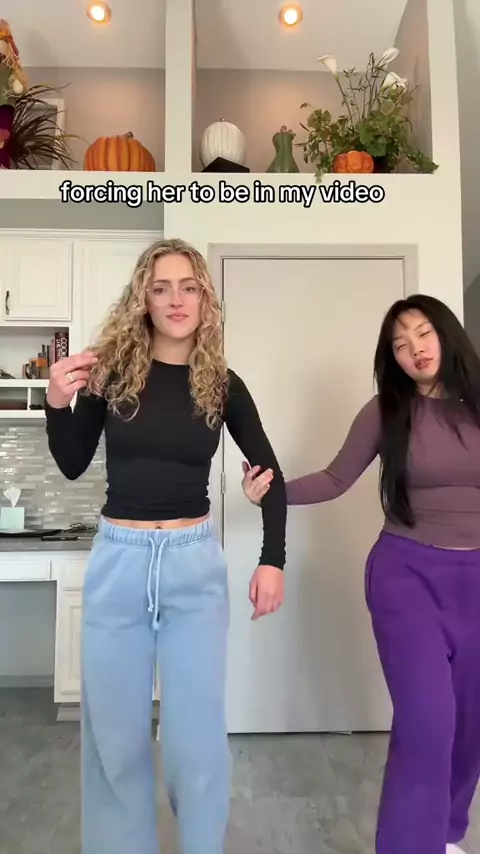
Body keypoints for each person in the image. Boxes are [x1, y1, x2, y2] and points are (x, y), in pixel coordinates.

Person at [44, 237, 287, 854]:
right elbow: (72, 462)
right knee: (115, 740)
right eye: (161, 288)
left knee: (194, 740)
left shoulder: (222, 385)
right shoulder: (110, 377)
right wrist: (56, 402)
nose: (176, 299)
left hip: (192, 567)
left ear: (205, 299)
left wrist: (272, 560)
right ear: (143, 301)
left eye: (188, 287)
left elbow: (271, 474)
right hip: (119, 562)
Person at [240, 293, 480, 854]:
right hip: (408, 577)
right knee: (427, 724)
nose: (414, 349)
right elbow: (334, 478)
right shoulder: (385, 411)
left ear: (447, 333)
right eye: (399, 344)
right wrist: (271, 493)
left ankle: (443, 836)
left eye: (423, 333)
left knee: (471, 726)